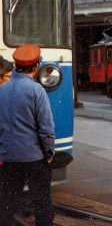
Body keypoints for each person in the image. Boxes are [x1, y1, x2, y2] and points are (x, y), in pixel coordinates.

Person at [0, 44, 55, 226]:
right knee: (42, 203)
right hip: (34, 158)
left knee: (6, 204)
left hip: (8, 157)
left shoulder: (2, 90)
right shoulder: (36, 90)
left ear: (16, 65)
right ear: (37, 66)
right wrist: (49, 154)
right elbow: (46, 128)